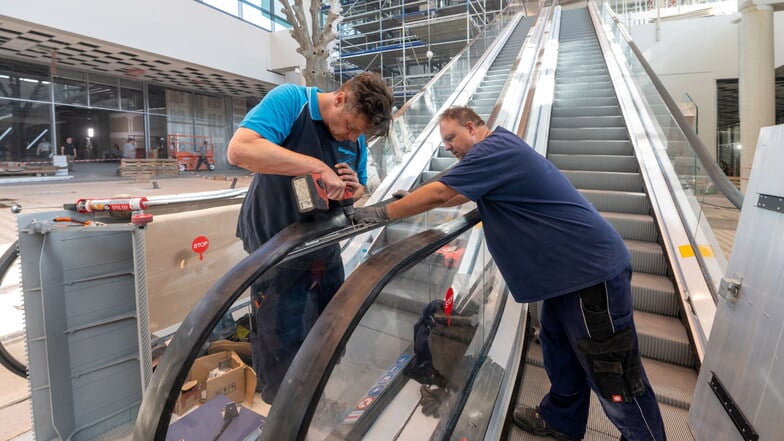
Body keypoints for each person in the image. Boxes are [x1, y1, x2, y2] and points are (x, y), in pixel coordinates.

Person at [353, 106, 666, 441]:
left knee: (611, 367)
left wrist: (381, 213)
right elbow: (457, 192)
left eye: (450, 138)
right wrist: (411, 198)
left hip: (589, 273)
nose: (447, 147)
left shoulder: (494, 149)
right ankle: (561, 420)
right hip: (564, 277)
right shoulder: (496, 152)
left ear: (471, 127)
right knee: (558, 346)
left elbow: (443, 191)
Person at [226, 72, 394, 404]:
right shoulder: (292, 101)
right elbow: (240, 150)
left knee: (328, 324)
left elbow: (357, 187)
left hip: (322, 247)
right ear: (340, 98)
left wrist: (354, 189)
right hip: (274, 246)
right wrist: (315, 166)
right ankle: (281, 404)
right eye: (350, 127)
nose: (351, 137)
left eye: (359, 133)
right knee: (279, 330)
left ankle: (314, 391)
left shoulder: (355, 137)